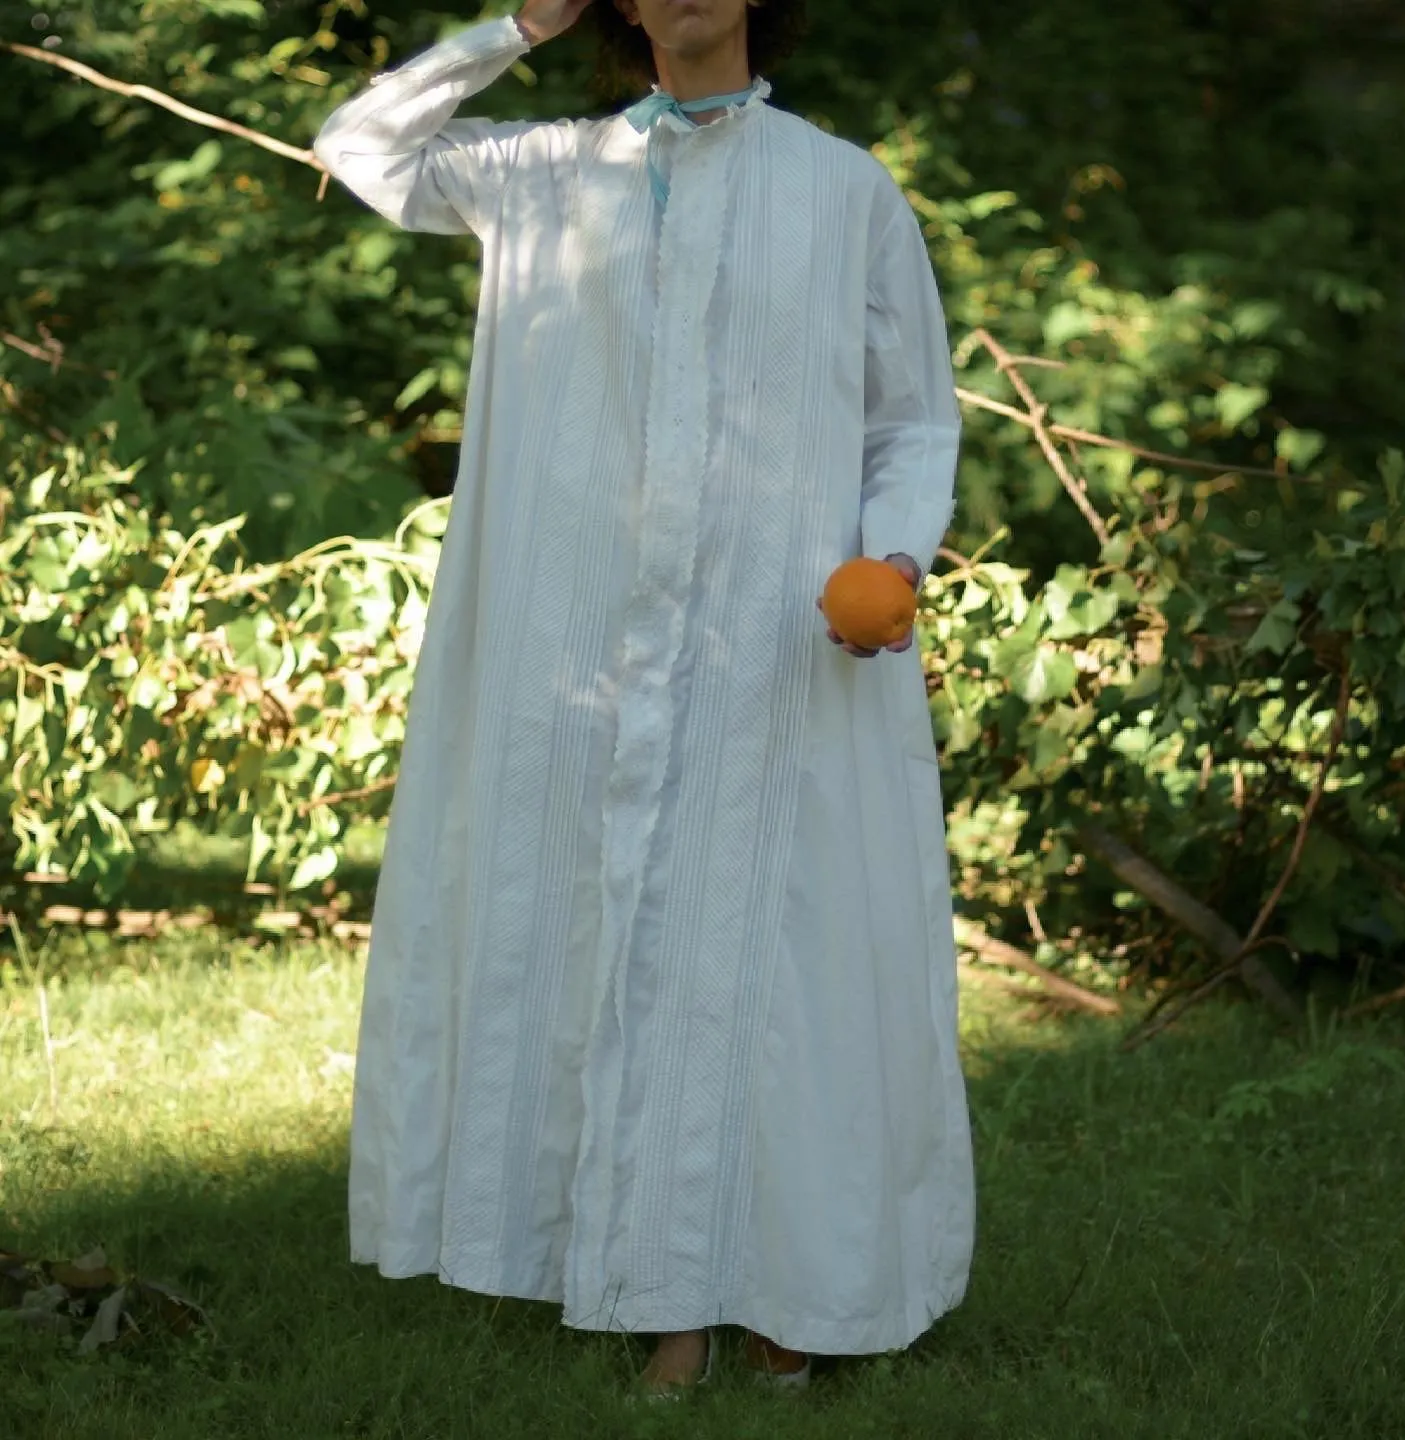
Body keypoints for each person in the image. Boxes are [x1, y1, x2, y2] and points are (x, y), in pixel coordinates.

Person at [313, 0, 976, 1399]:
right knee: (615, 951)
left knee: (783, 969)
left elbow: (912, 412)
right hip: (585, 642)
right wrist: (515, 21)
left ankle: (792, 1293)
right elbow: (361, 146)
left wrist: (896, 557)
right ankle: (666, 1298)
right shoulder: (543, 174)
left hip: (784, 639)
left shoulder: (842, 188)